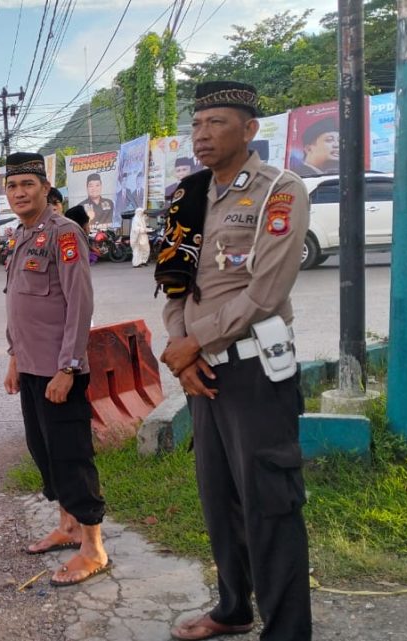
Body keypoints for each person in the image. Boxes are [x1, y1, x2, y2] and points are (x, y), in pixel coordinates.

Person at [156, 81, 311, 641]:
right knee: (219, 499)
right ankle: (233, 608)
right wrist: (183, 354)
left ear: (249, 129)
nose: (202, 134)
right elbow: (174, 285)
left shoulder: (280, 191)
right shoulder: (188, 196)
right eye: (196, 125)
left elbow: (266, 291)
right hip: (202, 373)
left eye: (216, 123)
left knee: (270, 501)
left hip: (252, 371)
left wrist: (195, 343)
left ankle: (288, 631)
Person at [2, 152, 107, 587]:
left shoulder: (64, 234)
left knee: (71, 455)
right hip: (31, 367)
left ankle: (94, 548)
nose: (19, 193)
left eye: (27, 184)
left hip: (59, 369)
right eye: (11, 186)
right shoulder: (23, 236)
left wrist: (68, 368)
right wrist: (14, 359)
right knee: (44, 451)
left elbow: (78, 304)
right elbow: (21, 304)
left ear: (46, 188)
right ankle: (67, 527)